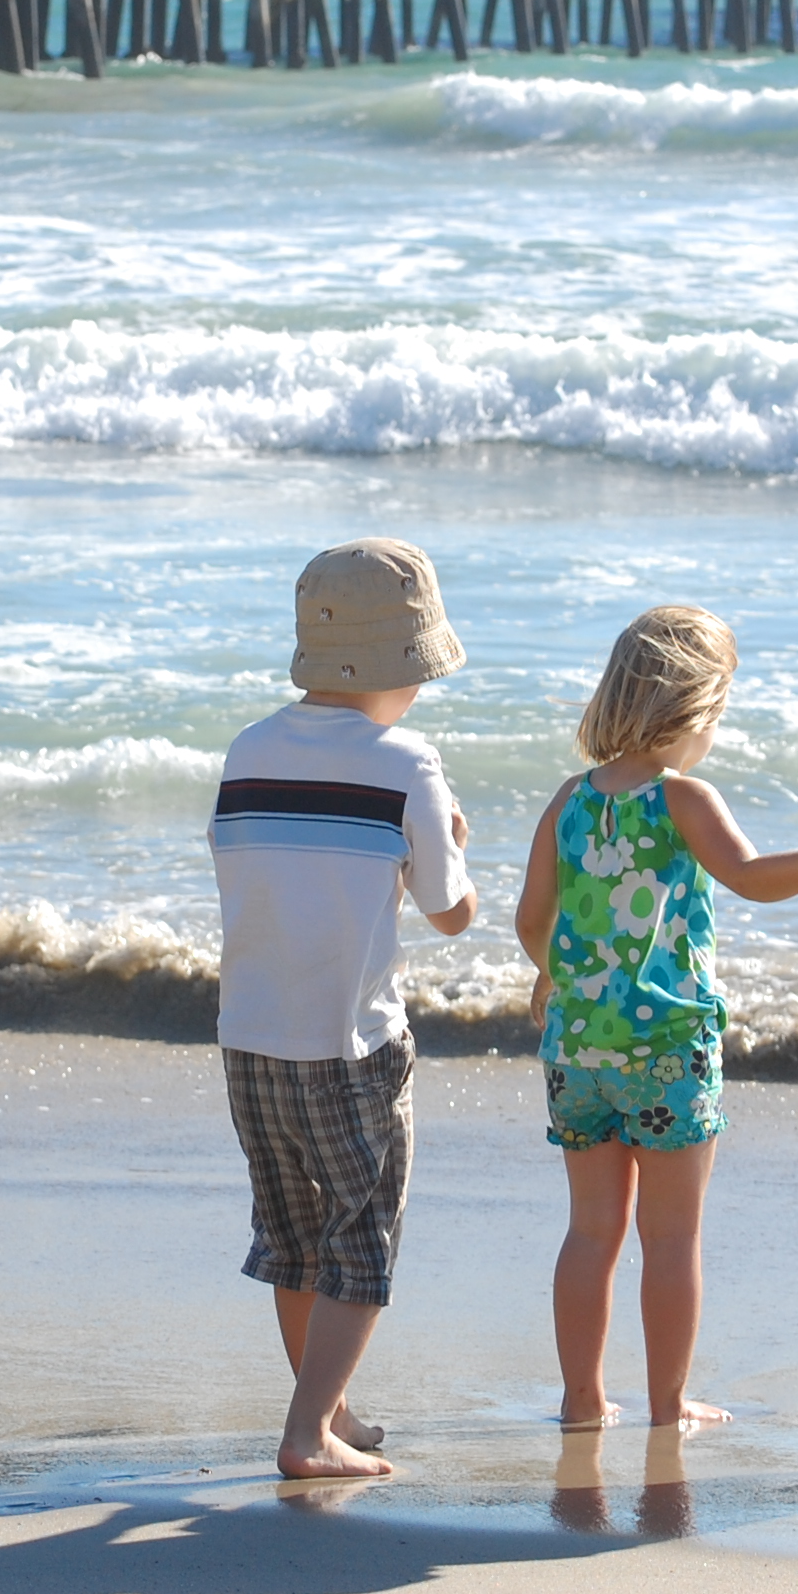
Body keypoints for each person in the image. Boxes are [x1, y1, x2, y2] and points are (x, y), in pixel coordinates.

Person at [515, 605, 798, 1431]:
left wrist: (554, 976)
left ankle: (581, 1400)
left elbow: (532, 917)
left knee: (591, 1232)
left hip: (578, 1051)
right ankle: (667, 1404)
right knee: (671, 1238)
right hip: (669, 1049)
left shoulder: (570, 801)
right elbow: (750, 877)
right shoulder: (680, 798)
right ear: (695, 707)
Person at [207, 537, 476, 1479]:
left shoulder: (247, 749)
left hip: (249, 1038)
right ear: (405, 662)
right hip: (351, 1043)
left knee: (294, 1241)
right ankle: (305, 1433)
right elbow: (450, 911)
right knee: (361, 1242)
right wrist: (453, 844)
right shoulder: (408, 761)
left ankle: (329, 1409)